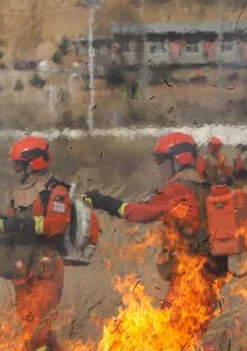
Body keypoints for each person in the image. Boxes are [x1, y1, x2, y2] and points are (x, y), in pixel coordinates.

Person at [86, 132, 226, 319]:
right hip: (207, 282)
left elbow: (139, 212)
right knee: (185, 334)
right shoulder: (206, 190)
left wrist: (103, 201)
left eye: (163, 162)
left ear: (179, 159)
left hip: (188, 282)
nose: (161, 168)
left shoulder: (178, 190)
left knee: (167, 333)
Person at [0, 135, 72, 351]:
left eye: (18, 165)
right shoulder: (20, 194)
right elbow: (9, 237)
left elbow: (55, 226)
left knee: (36, 334)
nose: (15, 170)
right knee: (34, 330)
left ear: (33, 163)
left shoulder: (56, 192)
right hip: (24, 275)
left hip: (46, 272)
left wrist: (17, 224)